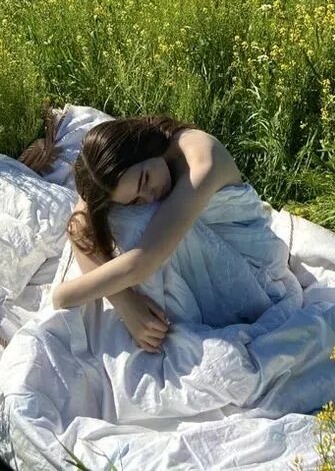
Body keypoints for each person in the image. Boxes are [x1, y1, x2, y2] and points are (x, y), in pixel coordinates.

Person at [22, 111, 243, 353]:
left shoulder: (201, 160)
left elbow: (142, 262)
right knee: (116, 214)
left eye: (145, 180)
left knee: (137, 222)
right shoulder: (135, 168)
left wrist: (65, 295)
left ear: (145, 148)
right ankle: (155, 323)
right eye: (136, 198)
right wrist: (126, 303)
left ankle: (175, 324)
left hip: (245, 261)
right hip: (192, 262)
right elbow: (79, 225)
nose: (149, 195)